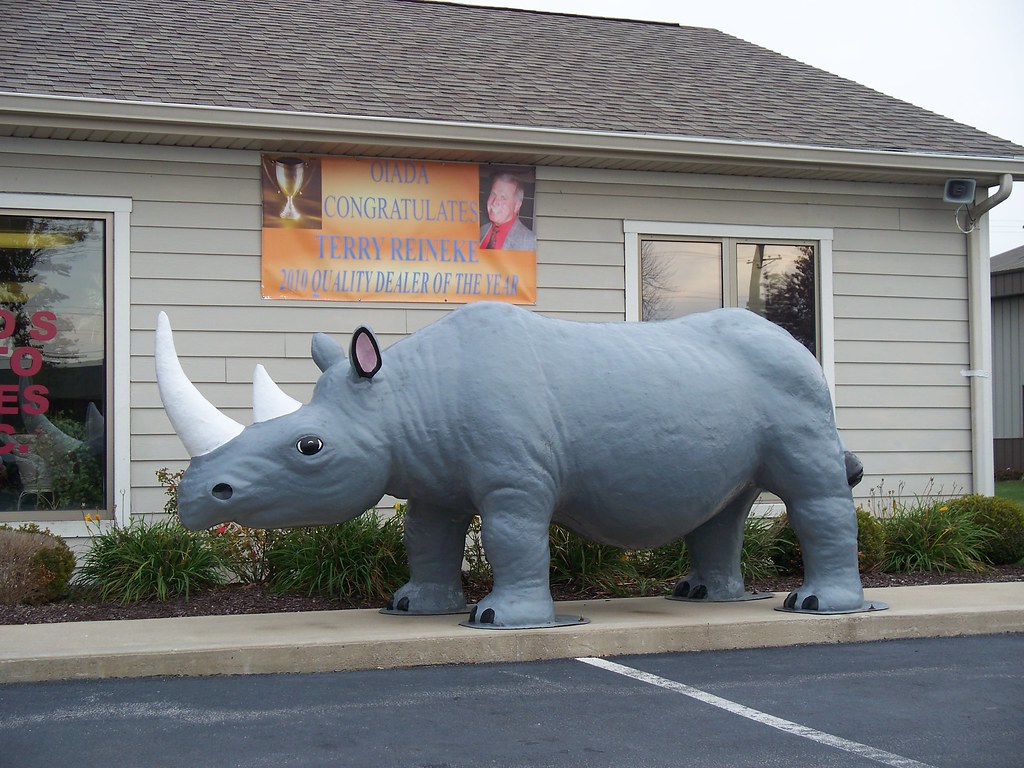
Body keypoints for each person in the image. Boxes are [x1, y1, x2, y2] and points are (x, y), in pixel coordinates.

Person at [479, 173, 537, 250]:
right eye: (493, 194)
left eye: (503, 197)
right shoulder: (482, 230)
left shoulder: (529, 241)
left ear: (517, 206)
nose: (494, 202)